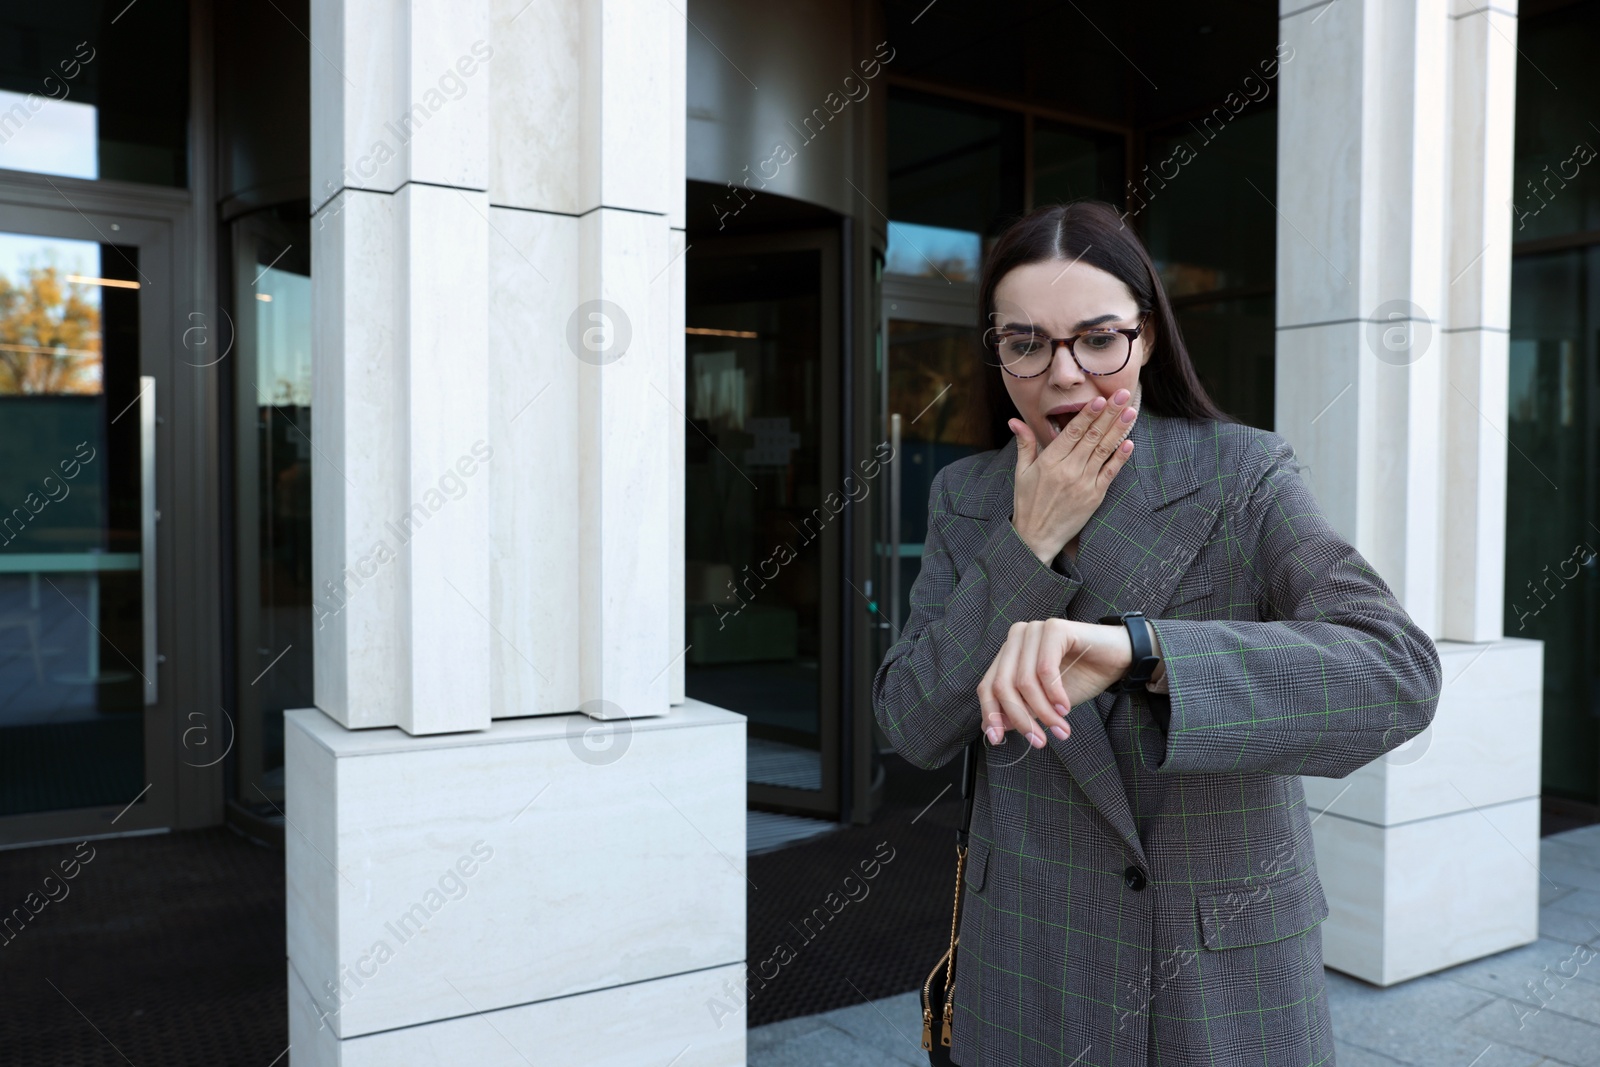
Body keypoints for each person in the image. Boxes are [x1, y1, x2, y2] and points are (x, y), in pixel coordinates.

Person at [872, 200, 1442, 1066]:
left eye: (1098, 339)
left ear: (1145, 336)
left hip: (1214, 967)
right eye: (1026, 342)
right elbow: (912, 723)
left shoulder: (1241, 472)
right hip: (1028, 960)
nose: (1064, 374)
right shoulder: (968, 497)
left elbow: (1395, 672)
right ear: (996, 351)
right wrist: (1025, 545)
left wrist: (1146, 652)